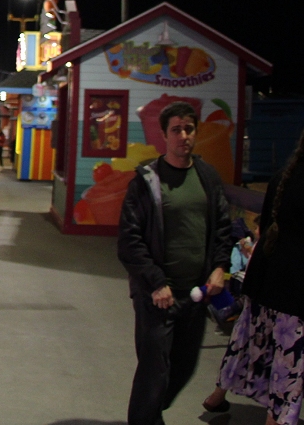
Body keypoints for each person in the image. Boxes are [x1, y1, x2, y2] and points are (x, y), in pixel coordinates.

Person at [118, 101, 233, 425]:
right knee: (154, 372)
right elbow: (129, 241)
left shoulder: (208, 176)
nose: (184, 136)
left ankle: (152, 409)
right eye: (177, 130)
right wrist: (155, 282)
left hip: (196, 295)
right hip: (157, 298)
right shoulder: (147, 181)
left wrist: (219, 267)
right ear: (165, 135)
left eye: (189, 129)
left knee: (183, 368)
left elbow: (222, 228)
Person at [208, 128, 304, 425]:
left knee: (249, 340)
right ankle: (274, 419)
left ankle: (217, 395)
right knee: (290, 360)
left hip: (264, 275)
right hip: (295, 286)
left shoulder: (284, 176)